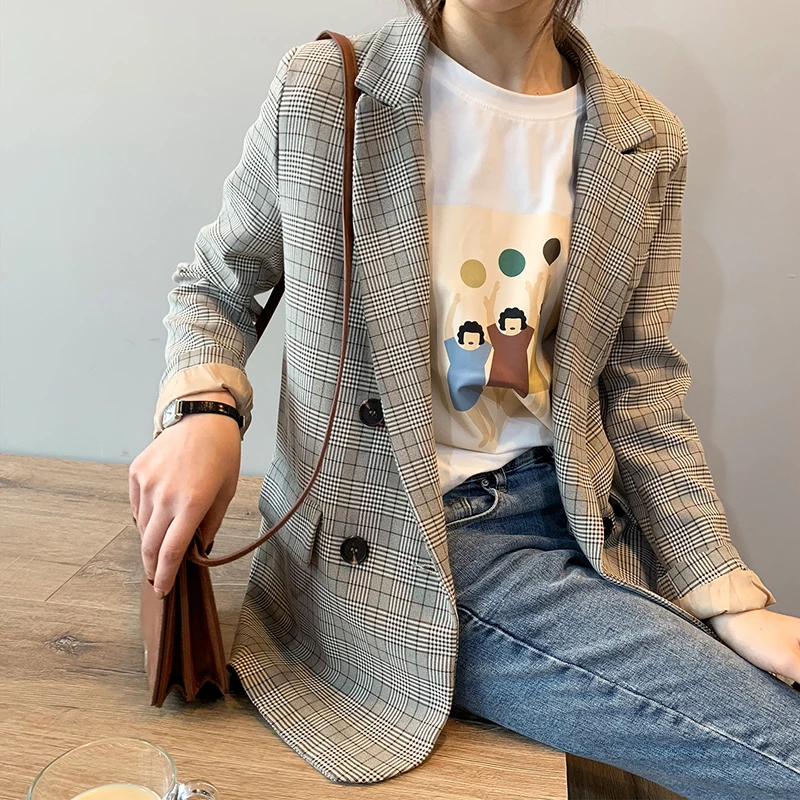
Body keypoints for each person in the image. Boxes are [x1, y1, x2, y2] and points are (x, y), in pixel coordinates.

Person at [129, 1, 800, 796]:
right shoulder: (325, 93)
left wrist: (726, 593)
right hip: (418, 540)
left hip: (586, 523)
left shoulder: (644, 139)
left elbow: (640, 385)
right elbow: (216, 284)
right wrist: (203, 410)